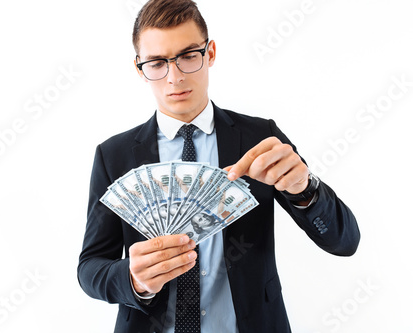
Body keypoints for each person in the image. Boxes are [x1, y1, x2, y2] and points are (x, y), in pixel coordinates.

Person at [77, 0, 360, 332]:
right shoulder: (114, 156)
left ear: (210, 53)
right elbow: (90, 268)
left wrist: (305, 189)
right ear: (140, 69)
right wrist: (132, 279)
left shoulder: (259, 137)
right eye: (157, 63)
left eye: (188, 56)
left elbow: (344, 241)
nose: (175, 77)